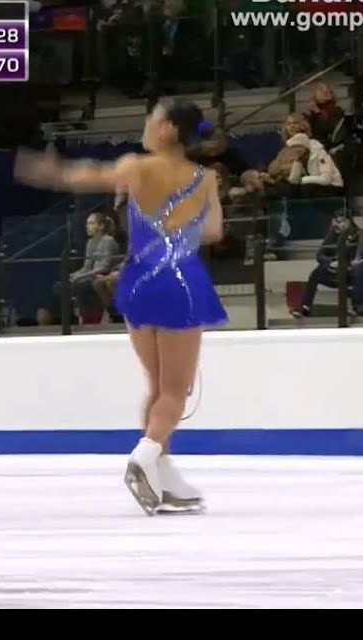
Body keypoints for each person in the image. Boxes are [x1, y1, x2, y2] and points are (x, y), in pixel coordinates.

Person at [13, 100, 228, 516]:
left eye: (151, 119)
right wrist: (182, 225)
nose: (146, 125)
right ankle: (146, 455)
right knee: (174, 391)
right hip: (178, 279)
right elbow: (214, 230)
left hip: (137, 280)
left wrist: (50, 171)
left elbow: (85, 175)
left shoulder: (136, 167)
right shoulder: (204, 179)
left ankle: (164, 475)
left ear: (167, 128)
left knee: (156, 386)